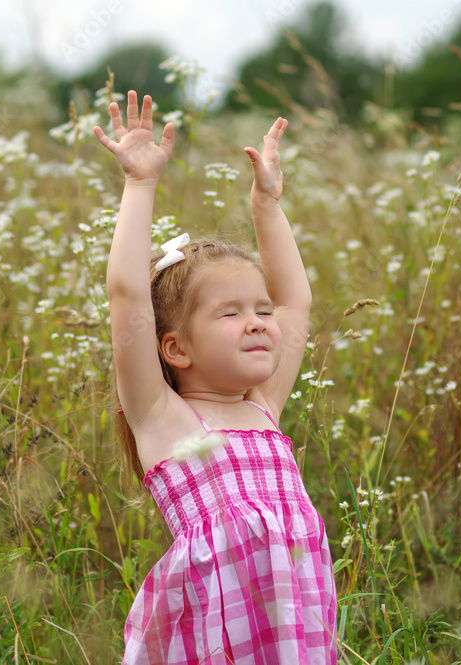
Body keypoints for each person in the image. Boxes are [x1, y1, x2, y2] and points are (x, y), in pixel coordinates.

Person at [95, 90, 337, 664]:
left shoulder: (263, 407)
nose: (257, 322)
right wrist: (139, 185)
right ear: (175, 348)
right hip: (213, 638)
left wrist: (267, 207)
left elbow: (295, 300)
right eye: (230, 314)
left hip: (294, 637)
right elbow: (127, 293)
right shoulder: (163, 417)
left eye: (260, 310)